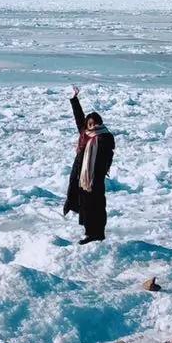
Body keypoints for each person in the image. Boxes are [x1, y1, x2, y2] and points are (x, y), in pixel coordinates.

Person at [62, 84, 115, 244]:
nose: (92, 126)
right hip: (82, 177)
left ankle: (97, 234)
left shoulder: (105, 137)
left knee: (97, 205)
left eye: (94, 123)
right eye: (90, 124)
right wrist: (74, 99)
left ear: (99, 123)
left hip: (94, 179)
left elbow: (108, 157)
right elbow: (79, 117)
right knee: (85, 205)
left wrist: (98, 174)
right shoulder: (85, 134)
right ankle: (89, 232)